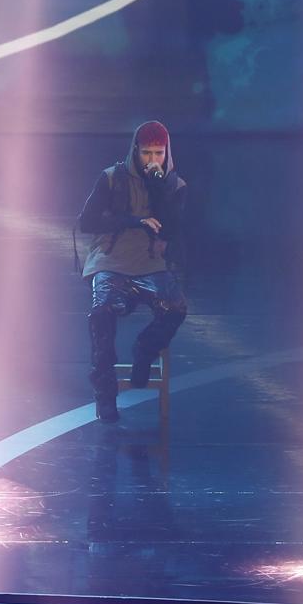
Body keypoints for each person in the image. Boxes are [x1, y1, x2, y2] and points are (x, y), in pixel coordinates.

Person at [75, 120, 189, 423]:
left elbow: (174, 232)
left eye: (159, 153)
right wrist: (132, 221)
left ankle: (144, 350)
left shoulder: (174, 186)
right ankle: (105, 390)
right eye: (147, 153)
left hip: (149, 263)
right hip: (110, 260)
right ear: (135, 151)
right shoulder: (112, 178)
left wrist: (160, 192)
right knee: (102, 313)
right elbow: (87, 222)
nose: (153, 160)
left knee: (176, 308)